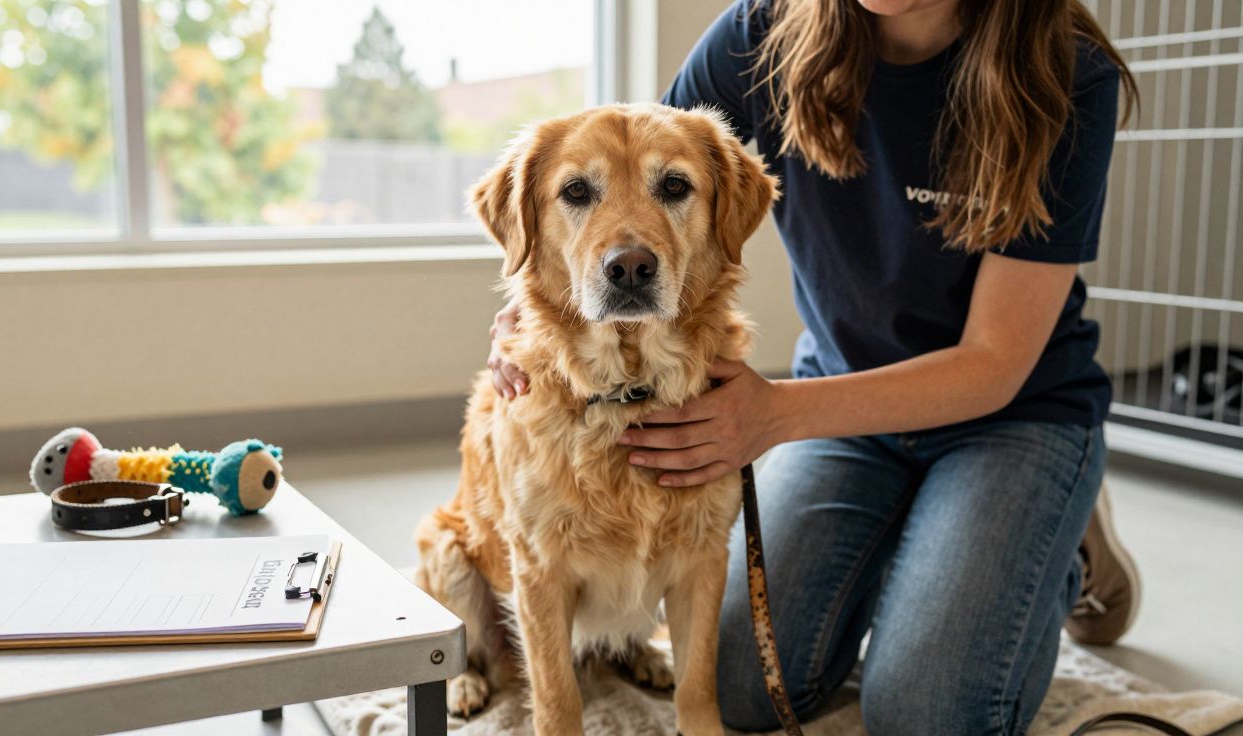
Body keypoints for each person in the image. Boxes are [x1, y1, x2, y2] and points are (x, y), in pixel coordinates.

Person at [486, 0, 1142, 733]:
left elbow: (995, 361)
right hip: (844, 399)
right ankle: (927, 541)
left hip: (1010, 415)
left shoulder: (1067, 69)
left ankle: (1062, 546)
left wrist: (774, 415)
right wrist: (526, 318)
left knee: (929, 712)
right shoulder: (763, 32)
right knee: (743, 685)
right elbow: (631, 173)